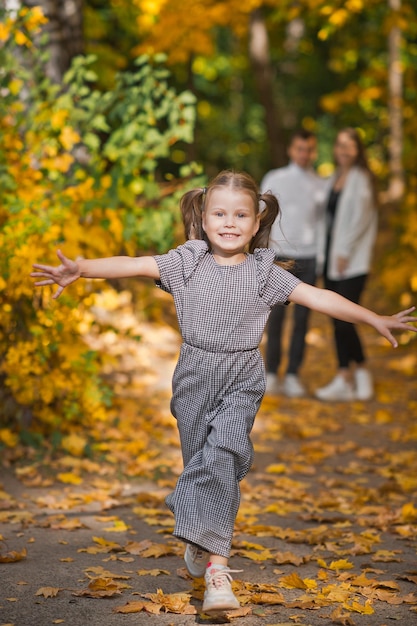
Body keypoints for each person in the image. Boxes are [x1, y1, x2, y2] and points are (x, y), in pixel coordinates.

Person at [31, 170, 416, 617]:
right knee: (203, 463)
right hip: (194, 374)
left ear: (256, 223)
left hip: (242, 375)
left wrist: (373, 319)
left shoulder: (264, 273)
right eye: (220, 213)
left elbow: (320, 298)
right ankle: (200, 535)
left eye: (240, 214)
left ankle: (218, 573)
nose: (229, 222)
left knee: (223, 457)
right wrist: (82, 270)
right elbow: (134, 264)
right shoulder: (186, 262)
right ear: (204, 215)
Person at [315, 128, 379, 402]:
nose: (343, 150)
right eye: (340, 145)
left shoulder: (361, 179)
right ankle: (343, 377)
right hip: (331, 258)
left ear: (358, 150)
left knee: (345, 319)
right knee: (335, 316)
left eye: (349, 146)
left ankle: (362, 371)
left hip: (351, 261)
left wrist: (344, 251)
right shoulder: (333, 179)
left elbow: (361, 220)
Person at [261, 129, 324, 397]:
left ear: (314, 152)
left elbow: (323, 225)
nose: (303, 154)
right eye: (299, 148)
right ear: (291, 149)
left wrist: (320, 259)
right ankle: (272, 372)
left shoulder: (321, 184)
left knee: (302, 320)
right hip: (279, 256)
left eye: (308, 149)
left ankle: (293, 375)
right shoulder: (275, 178)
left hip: (309, 257)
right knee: (274, 318)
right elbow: (263, 218)